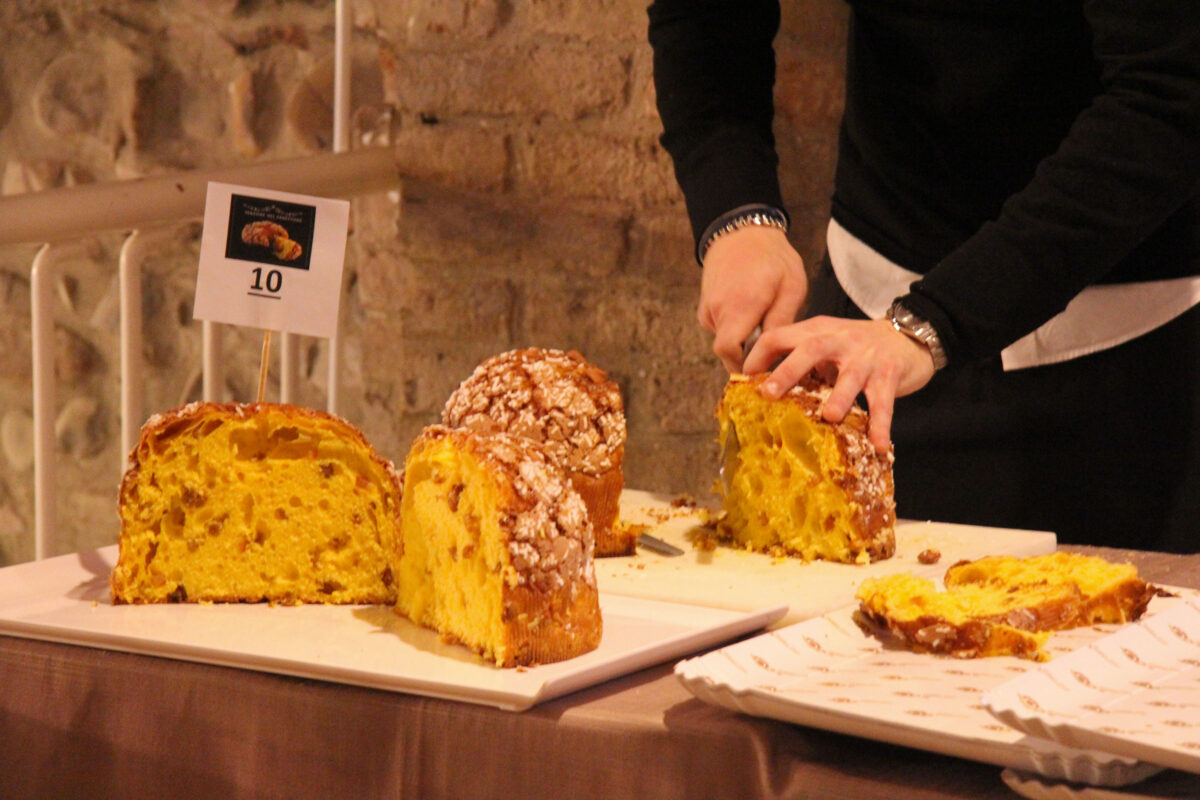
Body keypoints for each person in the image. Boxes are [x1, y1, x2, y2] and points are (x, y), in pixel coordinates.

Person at [647, 0, 1200, 552]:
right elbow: (705, 19)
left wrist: (931, 324)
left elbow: (1170, 93)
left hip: (1118, 356)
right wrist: (736, 216)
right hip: (868, 305)